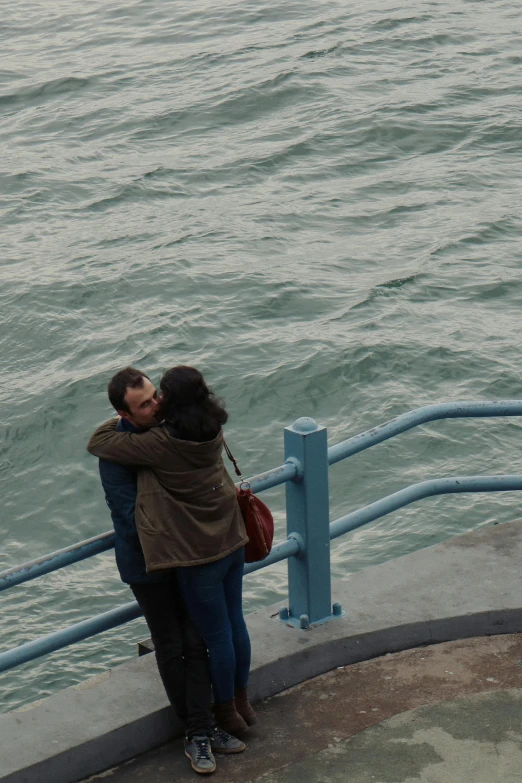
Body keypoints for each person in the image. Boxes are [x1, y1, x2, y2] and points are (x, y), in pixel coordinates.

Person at [87, 366, 256, 740]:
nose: (155, 405)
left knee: (209, 639)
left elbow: (98, 441)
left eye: (157, 396)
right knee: (210, 633)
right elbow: (129, 515)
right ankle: (230, 710)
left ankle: (220, 716)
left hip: (196, 556)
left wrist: (119, 420)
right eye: (144, 403)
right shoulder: (206, 426)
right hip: (204, 546)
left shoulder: (162, 440)